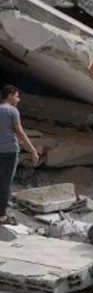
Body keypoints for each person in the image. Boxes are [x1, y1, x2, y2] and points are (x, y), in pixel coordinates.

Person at [0, 85, 39, 226]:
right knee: (5, 184)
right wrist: (33, 150)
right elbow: (20, 132)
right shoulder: (12, 111)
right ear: (10, 96)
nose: (18, 100)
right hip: (10, 152)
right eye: (17, 96)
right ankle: (2, 216)